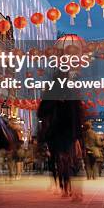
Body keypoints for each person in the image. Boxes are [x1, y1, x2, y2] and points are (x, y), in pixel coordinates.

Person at [37, 72, 85, 201]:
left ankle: (67, 187)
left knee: (63, 160)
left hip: (59, 131)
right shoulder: (72, 91)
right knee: (69, 160)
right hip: (67, 131)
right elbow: (79, 113)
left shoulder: (52, 92)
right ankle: (71, 188)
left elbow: (41, 112)